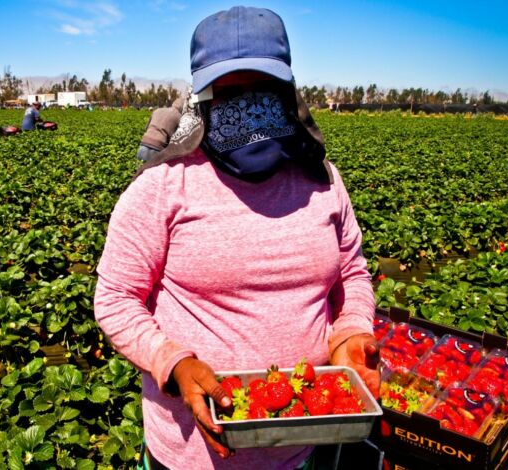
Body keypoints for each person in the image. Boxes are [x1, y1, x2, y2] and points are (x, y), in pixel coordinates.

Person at [94, 6, 379, 470]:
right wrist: (173, 363)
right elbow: (115, 299)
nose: (248, 106)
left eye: (262, 88)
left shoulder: (323, 181)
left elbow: (353, 275)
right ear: (203, 97)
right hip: (189, 454)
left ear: (286, 91)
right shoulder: (163, 186)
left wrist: (351, 332)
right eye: (228, 91)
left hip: (300, 442)